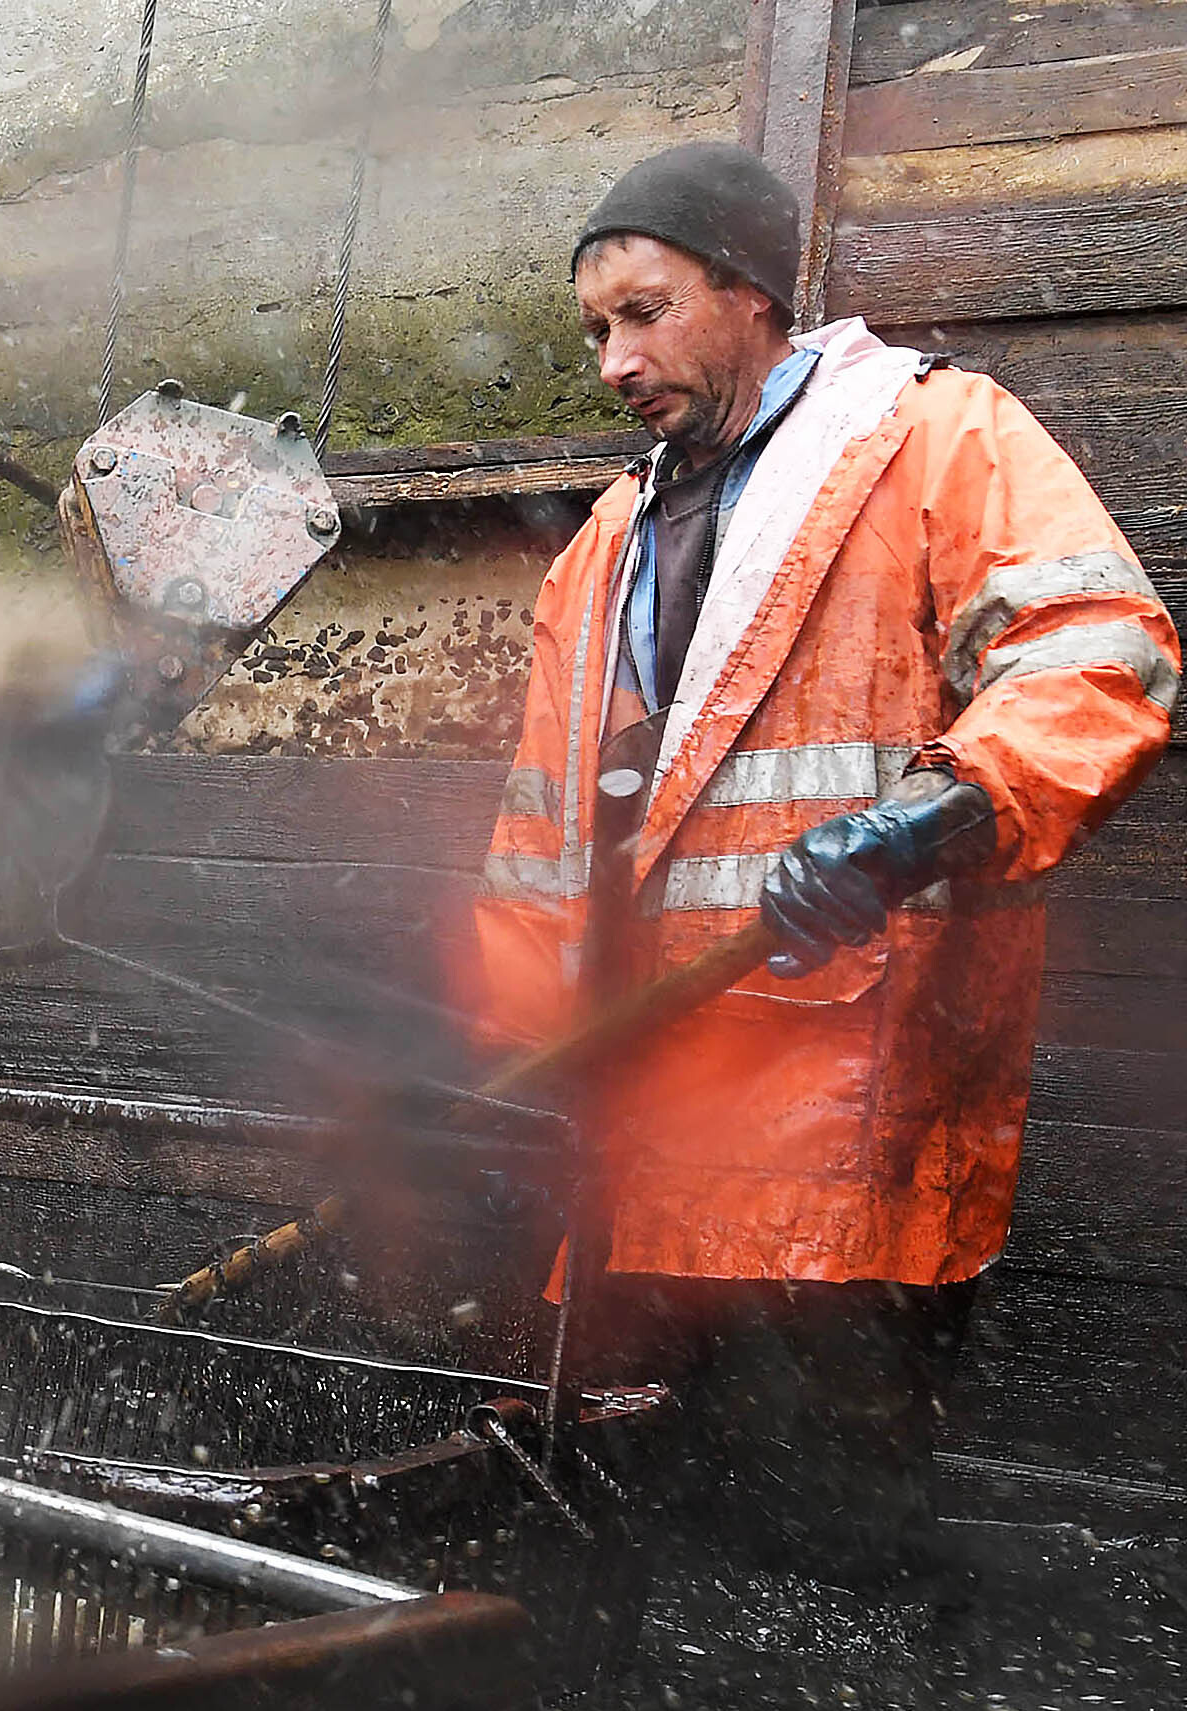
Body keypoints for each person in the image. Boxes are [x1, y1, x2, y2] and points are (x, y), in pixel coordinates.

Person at [469, 141, 1177, 1583]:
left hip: (846, 1119)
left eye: (645, 310)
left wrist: (936, 813)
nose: (613, 359)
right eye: (596, 328)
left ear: (750, 292)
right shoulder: (604, 545)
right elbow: (542, 843)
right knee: (643, 1534)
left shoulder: (936, 439)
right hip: (641, 1123)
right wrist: (510, 1071)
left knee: (831, 1546)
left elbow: (1103, 655)